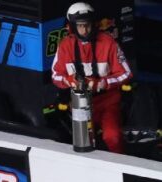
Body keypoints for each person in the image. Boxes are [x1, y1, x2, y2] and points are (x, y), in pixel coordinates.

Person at [50, 3, 132, 153]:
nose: (84, 30)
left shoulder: (108, 43)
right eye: (80, 26)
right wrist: (69, 80)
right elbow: (55, 75)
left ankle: (121, 167)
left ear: (93, 24)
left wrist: (102, 83)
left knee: (112, 136)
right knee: (81, 141)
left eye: (87, 25)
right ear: (73, 26)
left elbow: (126, 73)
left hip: (108, 102)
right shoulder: (65, 46)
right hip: (79, 104)